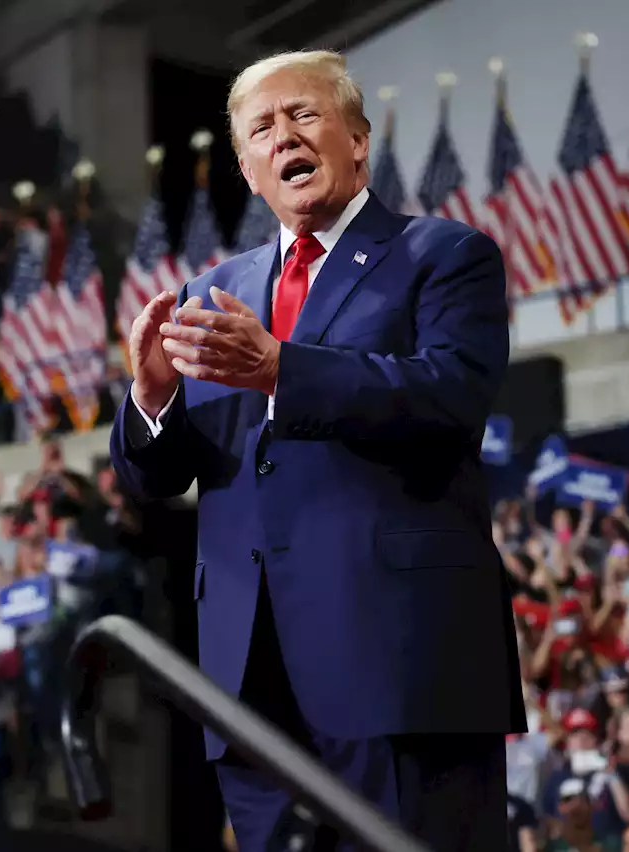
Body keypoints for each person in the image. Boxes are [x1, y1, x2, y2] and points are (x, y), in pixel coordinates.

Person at [110, 49, 520, 850]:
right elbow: (159, 477)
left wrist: (279, 369)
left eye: (303, 115)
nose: (283, 136)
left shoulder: (442, 257)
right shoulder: (211, 294)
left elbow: (447, 395)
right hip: (251, 676)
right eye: (262, 128)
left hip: (399, 664)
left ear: (357, 141)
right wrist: (153, 398)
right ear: (247, 168)